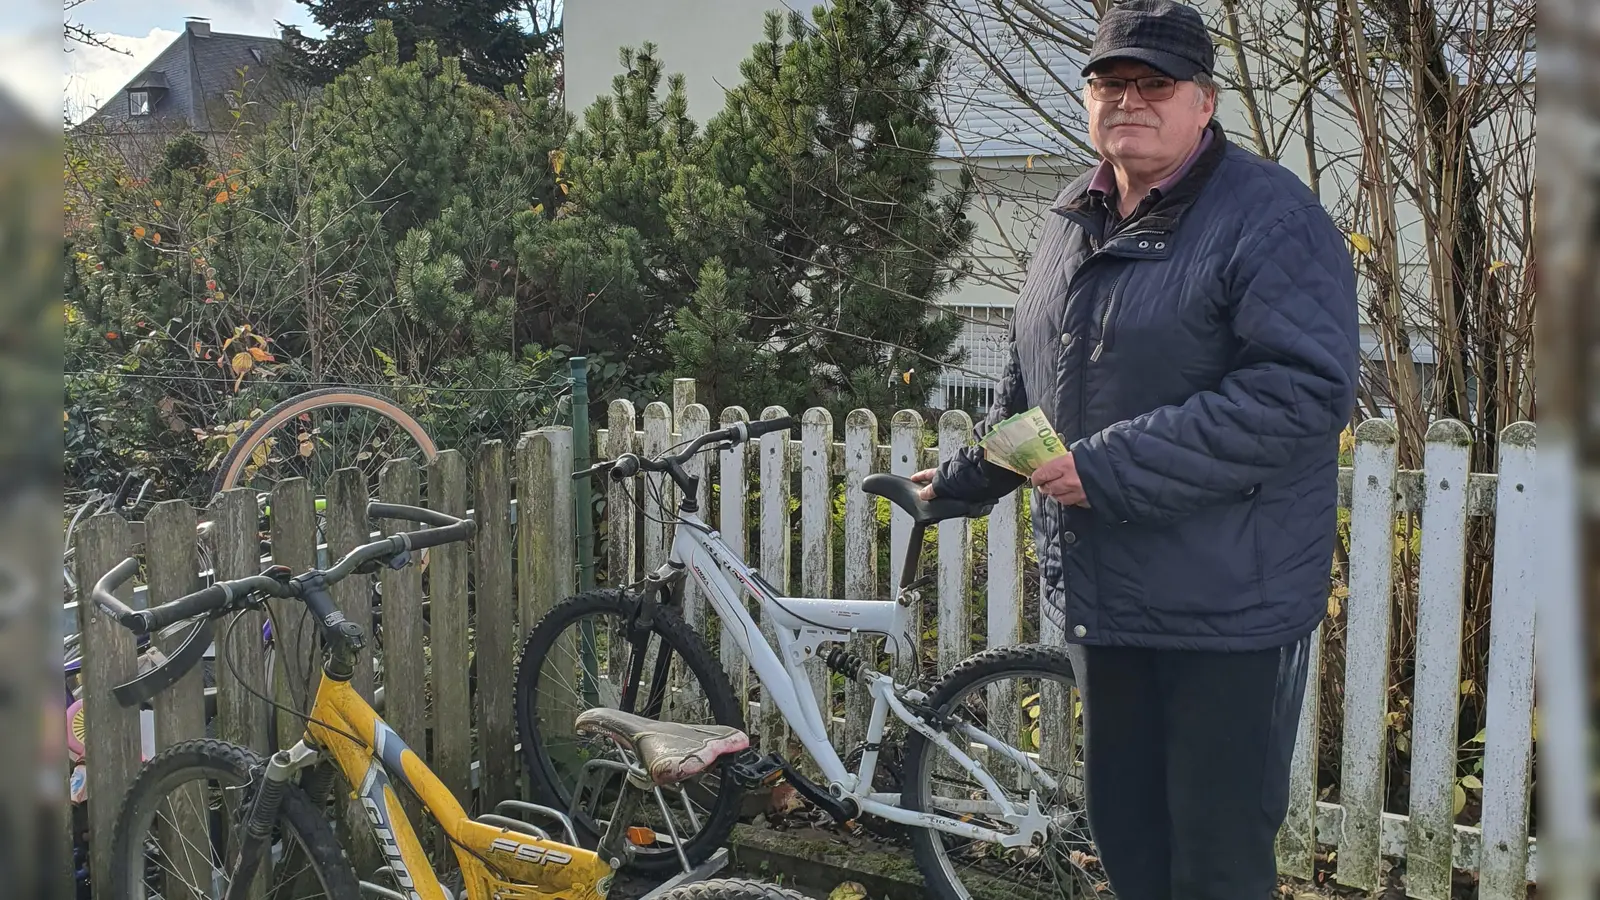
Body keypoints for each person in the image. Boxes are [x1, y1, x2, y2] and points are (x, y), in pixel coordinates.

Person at [909, 1, 1360, 897]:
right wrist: (969, 479)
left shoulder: (1271, 216)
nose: (1130, 100)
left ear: (1206, 103)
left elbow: (1301, 392)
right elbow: (1036, 389)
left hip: (1227, 606)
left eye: (1156, 83)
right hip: (1109, 601)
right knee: (1128, 842)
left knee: (1216, 858)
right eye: (1111, 82)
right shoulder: (1072, 215)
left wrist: (1110, 467)